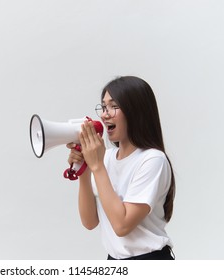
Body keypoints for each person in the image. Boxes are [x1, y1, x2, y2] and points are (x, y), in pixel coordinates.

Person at [67, 76, 175, 260]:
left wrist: (97, 165)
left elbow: (122, 225)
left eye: (113, 106)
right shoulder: (106, 157)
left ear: (137, 111)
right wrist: (84, 170)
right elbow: (89, 222)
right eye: (103, 107)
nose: (104, 114)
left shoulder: (152, 160)